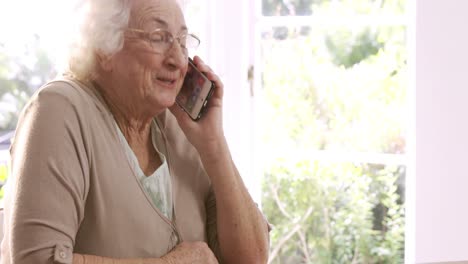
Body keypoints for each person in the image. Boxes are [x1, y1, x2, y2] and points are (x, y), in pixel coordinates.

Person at [0, 0, 270, 263]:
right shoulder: (58, 110)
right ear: (104, 46)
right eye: (158, 37)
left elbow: (252, 258)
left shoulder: (179, 124)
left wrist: (213, 146)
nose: (178, 59)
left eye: (182, 40)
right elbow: (37, 260)